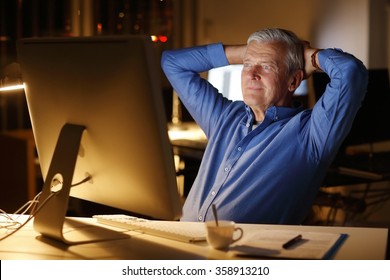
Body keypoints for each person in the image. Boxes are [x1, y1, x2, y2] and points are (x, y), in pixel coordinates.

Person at [161, 28, 368, 224]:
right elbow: (172, 62)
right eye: (247, 65)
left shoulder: (311, 134)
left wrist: (310, 56)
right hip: (184, 242)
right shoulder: (224, 116)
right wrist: (248, 52)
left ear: (293, 81)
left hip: (244, 257)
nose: (252, 74)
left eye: (267, 66)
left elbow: (350, 72)